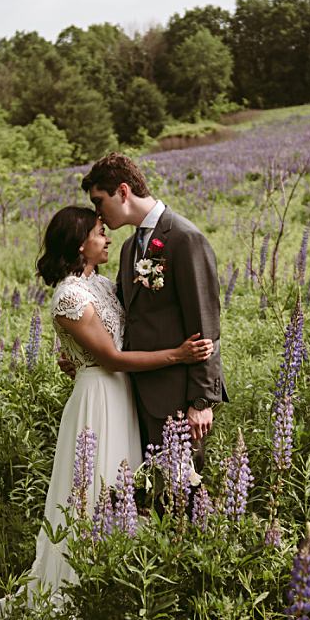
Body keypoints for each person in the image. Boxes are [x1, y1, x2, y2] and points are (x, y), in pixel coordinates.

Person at [0, 206, 212, 620]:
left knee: (124, 489)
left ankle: (114, 586)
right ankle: (74, 593)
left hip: (121, 396)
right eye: (100, 232)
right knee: (92, 490)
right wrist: (178, 354)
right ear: (80, 242)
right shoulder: (69, 296)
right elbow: (111, 357)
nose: (107, 237)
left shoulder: (102, 284)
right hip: (98, 397)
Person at [80, 153, 228, 454]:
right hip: (133, 395)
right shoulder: (128, 248)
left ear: (123, 192)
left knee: (182, 492)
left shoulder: (184, 238)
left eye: (99, 201)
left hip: (176, 399)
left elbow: (205, 325)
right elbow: (123, 316)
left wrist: (201, 401)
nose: (97, 213)